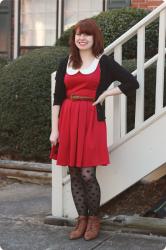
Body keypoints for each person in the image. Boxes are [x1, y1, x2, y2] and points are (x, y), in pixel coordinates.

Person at [49, 18, 139, 241]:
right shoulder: (65, 62)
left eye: (86, 34)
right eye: (78, 34)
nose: (81, 38)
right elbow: (57, 98)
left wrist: (107, 93)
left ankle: (94, 219)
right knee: (74, 173)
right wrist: (54, 130)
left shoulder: (104, 62)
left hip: (91, 119)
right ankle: (81, 219)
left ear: (94, 38)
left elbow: (131, 83)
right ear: (74, 38)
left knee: (88, 174)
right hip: (68, 119)